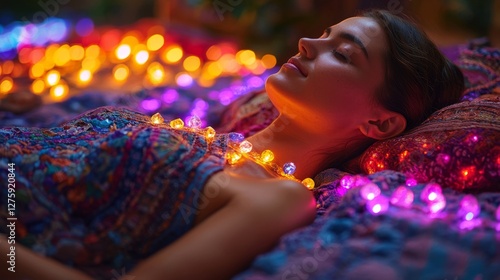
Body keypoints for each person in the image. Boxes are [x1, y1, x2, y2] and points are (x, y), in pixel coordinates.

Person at [0, 9, 464, 280]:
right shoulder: (206, 134)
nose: (305, 42)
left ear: (379, 123)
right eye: (322, 35)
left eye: (342, 53)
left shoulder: (281, 196)